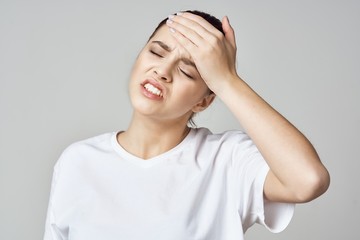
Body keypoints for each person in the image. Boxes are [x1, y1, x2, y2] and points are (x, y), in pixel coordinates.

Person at [43, 10, 330, 240]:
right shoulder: (76, 162)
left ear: (204, 101)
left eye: (186, 71)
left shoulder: (227, 161)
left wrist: (227, 80)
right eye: (156, 52)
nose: (162, 71)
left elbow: (308, 180)